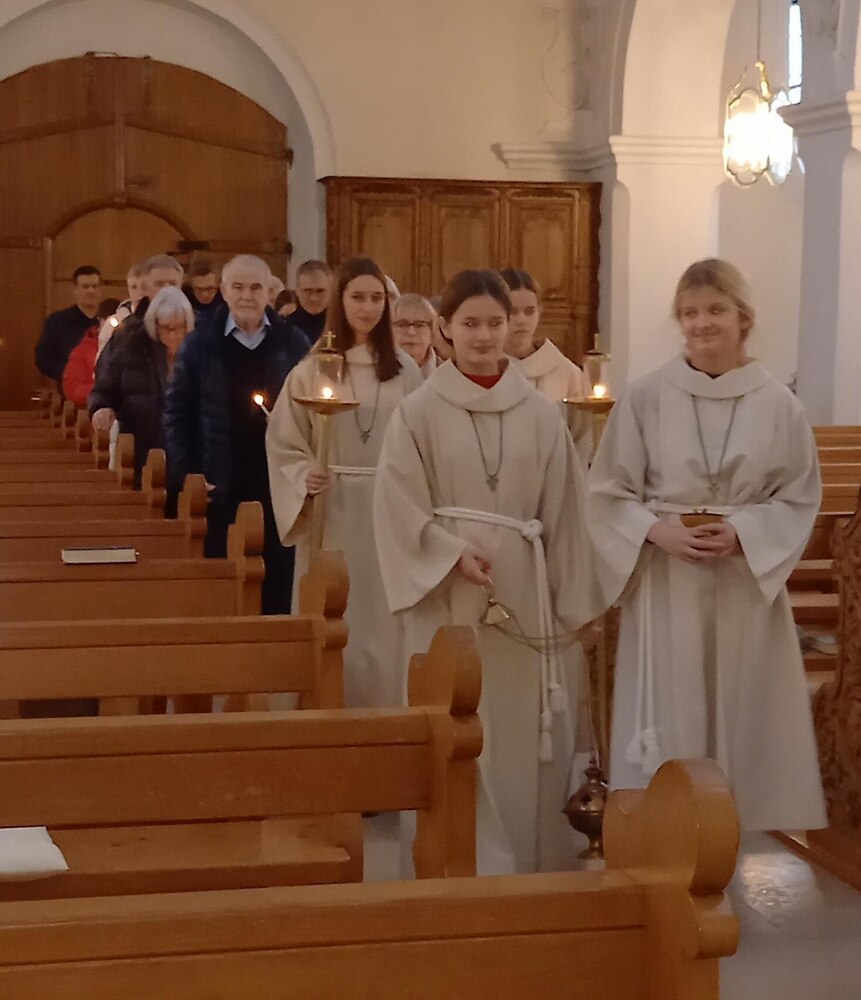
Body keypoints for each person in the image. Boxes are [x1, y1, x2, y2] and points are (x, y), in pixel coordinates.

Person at [373, 269, 601, 875]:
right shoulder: (417, 412)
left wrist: (579, 607)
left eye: (495, 323)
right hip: (446, 594)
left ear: (514, 326)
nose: (483, 335)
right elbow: (396, 503)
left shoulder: (541, 414)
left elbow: (568, 515)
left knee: (525, 734)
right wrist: (448, 551)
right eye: (470, 323)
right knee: (455, 728)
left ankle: (528, 866)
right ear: (445, 328)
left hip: (524, 594)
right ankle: (450, 865)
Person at [587, 258, 826, 832]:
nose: (702, 323)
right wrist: (659, 530)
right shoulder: (646, 397)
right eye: (690, 312)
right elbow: (606, 490)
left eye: (715, 310)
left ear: (743, 318)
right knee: (672, 707)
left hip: (742, 582)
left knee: (738, 706)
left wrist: (744, 531)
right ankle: (666, 827)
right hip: (669, 578)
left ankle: (727, 833)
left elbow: (799, 495)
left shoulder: (778, 404)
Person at [267, 257, 423, 707]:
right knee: (340, 612)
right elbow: (283, 442)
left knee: (384, 617)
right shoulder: (312, 369)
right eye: (358, 297)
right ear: (341, 302)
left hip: (390, 508)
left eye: (377, 298)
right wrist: (302, 475)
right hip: (333, 509)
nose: (368, 307)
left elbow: (424, 440)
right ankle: (329, 704)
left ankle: (388, 708)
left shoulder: (407, 372)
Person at [163, 254, 309, 614]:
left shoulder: (293, 343)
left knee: (278, 580)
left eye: (256, 287)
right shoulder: (200, 344)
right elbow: (176, 413)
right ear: (224, 291)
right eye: (239, 287)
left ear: (270, 292)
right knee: (225, 580)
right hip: (220, 480)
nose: (247, 295)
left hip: (277, 480)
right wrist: (188, 473)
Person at [90, 287, 193, 486]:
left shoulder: (200, 352)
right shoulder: (131, 347)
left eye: (178, 328)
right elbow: (104, 389)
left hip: (188, 457)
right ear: (154, 325)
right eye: (165, 328)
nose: (172, 335)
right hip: (141, 451)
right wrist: (101, 407)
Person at [499, 268, 591, 463]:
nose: (522, 320)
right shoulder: (485, 369)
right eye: (512, 311)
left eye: (529, 311)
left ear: (540, 312)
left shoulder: (566, 372)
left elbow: (582, 436)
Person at [34, 265, 101, 385]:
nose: (91, 291)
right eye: (85, 287)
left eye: (95, 286)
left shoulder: (112, 319)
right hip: (70, 393)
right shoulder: (57, 321)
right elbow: (43, 358)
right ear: (75, 289)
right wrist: (69, 372)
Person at [62, 297, 120, 408]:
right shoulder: (83, 350)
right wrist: (102, 392)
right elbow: (72, 388)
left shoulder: (134, 349)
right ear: (100, 320)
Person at [391, 293, 437, 378]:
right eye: (402, 325)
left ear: (432, 333)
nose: (411, 332)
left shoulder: (450, 374)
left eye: (419, 325)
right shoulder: (372, 371)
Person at [290, 259, 332, 344]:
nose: (314, 298)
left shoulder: (343, 327)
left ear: (331, 291)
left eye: (320, 291)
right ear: (297, 291)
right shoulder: (283, 329)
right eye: (307, 291)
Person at [184, 259, 223, 326]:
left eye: (210, 288)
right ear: (191, 286)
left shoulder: (227, 299)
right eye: (199, 289)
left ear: (218, 285)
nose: (205, 295)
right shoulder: (183, 297)